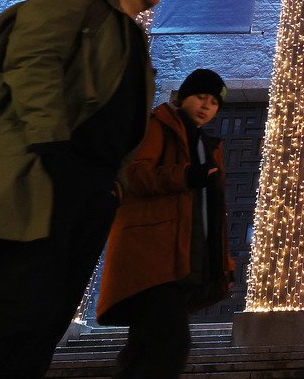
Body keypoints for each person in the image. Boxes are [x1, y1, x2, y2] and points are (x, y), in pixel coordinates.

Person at [0, 0, 169, 379]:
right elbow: (34, 59)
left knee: (48, 320)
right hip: (49, 171)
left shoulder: (132, 34)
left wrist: (113, 182)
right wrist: (50, 143)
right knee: (19, 305)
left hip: (94, 188)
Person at [97, 69, 234, 379]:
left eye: (213, 102)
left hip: (184, 255)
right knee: (168, 344)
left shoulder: (206, 143)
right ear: (183, 96)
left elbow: (211, 210)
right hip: (156, 252)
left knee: (148, 346)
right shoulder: (158, 126)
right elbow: (135, 174)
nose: (206, 106)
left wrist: (222, 262)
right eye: (200, 97)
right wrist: (184, 175)